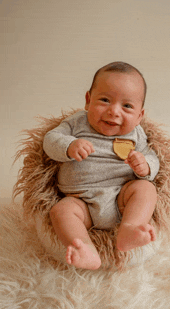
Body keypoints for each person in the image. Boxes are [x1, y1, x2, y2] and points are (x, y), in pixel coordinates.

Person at [43, 61, 159, 270]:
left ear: (139, 116)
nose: (114, 111)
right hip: (81, 201)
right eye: (105, 100)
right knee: (61, 211)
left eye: (127, 106)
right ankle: (84, 249)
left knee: (146, 189)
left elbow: (153, 157)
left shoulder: (137, 134)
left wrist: (145, 166)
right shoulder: (76, 123)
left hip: (121, 198)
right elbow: (50, 140)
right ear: (88, 100)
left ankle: (130, 229)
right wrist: (69, 146)